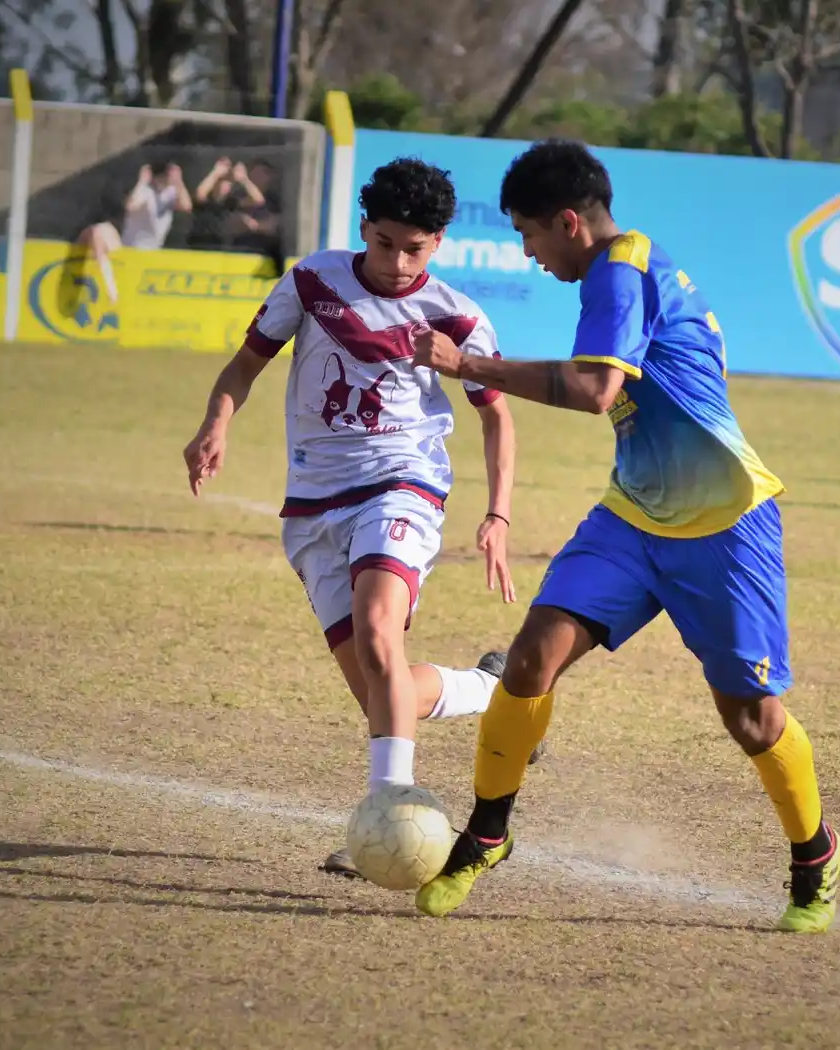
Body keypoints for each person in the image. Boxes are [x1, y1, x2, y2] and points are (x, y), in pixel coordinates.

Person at [409, 139, 840, 934]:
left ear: (568, 222)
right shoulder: (620, 270)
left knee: (749, 716)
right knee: (532, 656)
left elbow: (594, 386)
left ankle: (815, 855)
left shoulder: (622, 266)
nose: (529, 255)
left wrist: (471, 364)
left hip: (725, 525)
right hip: (634, 516)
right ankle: (487, 834)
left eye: (528, 236)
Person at [182, 157, 529, 877]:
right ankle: (492, 689)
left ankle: (387, 818)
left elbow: (498, 421)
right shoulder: (311, 281)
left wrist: (498, 514)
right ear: (363, 229)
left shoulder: (458, 317)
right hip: (312, 504)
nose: (398, 262)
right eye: (385, 243)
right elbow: (244, 365)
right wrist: (216, 423)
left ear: (438, 244)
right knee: (382, 683)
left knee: (377, 632)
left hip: (403, 486)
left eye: (415, 248)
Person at [77, 161, 192, 306]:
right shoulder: (146, 192)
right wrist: (142, 182)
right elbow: (131, 206)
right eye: (168, 175)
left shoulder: (171, 193)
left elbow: (187, 205)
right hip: (131, 249)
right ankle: (109, 287)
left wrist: (179, 182)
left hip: (153, 253)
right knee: (98, 231)